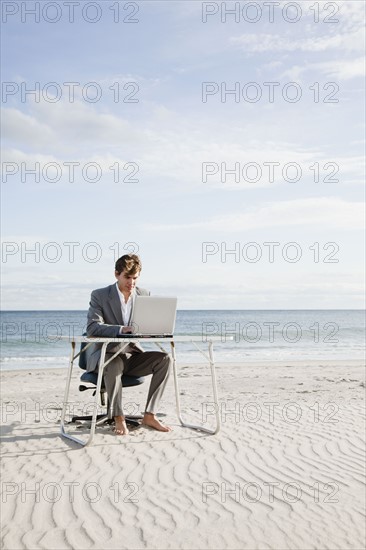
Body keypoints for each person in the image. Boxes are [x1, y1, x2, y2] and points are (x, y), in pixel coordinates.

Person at [86, 254, 172, 436]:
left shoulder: (144, 295)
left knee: (165, 359)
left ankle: (150, 415)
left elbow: (147, 324)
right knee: (114, 362)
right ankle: (119, 418)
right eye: (127, 277)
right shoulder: (100, 295)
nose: (131, 282)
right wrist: (121, 329)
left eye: (135, 278)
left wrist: (155, 329)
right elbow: (93, 328)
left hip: (131, 356)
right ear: (116, 274)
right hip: (106, 356)